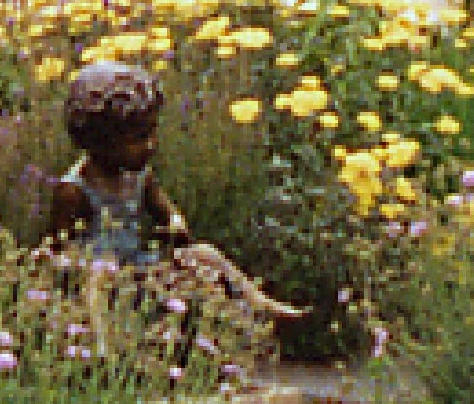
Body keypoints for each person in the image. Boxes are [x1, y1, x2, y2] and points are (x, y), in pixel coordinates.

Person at [46, 60, 304, 318]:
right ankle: (100, 336)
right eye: (138, 139)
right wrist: (73, 266)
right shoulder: (75, 189)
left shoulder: (141, 178)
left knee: (205, 254)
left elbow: (166, 212)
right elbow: (60, 249)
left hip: (139, 268)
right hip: (99, 276)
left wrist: (174, 226)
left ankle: (261, 304)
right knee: (97, 277)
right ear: (101, 140)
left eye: (151, 133)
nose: (150, 145)